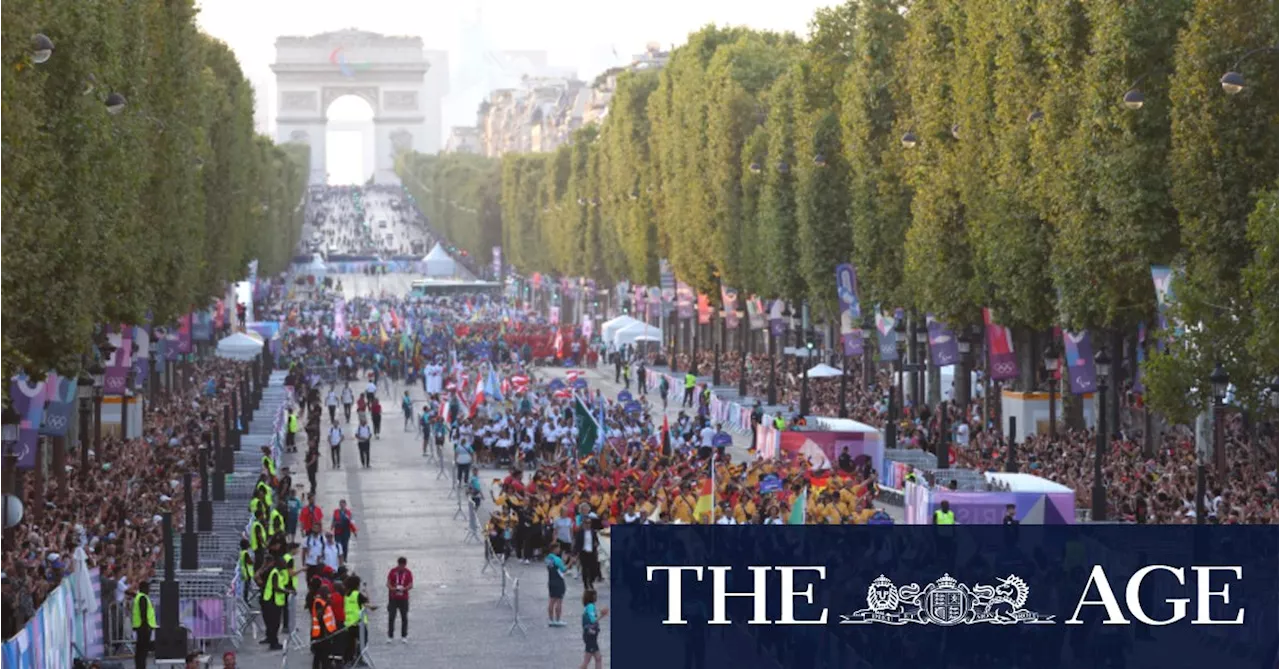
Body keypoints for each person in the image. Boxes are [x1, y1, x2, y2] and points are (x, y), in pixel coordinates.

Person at [309, 578, 339, 669]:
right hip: (320, 634)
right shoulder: (319, 602)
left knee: (319, 656)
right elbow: (319, 616)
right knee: (323, 656)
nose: (329, 595)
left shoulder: (324, 602)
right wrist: (326, 605)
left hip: (325, 633)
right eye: (327, 593)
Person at [385, 557, 413, 643]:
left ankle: (404, 636)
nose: (401, 567)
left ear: (405, 565)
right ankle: (390, 636)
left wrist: (404, 589)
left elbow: (411, 584)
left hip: (403, 598)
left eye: (403, 565)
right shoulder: (393, 571)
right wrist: (392, 588)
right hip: (393, 598)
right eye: (400, 565)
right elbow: (388, 583)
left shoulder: (408, 573)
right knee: (391, 617)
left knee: (404, 617)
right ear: (398, 564)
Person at [578, 589, 608, 669]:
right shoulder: (590, 606)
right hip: (590, 636)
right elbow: (593, 620)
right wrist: (602, 615)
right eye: (595, 595)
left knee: (598, 658)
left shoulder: (588, 606)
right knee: (587, 661)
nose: (596, 597)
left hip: (590, 636)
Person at [132, 580, 156, 669]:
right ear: (144, 588)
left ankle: (140, 666)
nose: (149, 590)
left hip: (140, 627)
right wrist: (146, 627)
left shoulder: (139, 597)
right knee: (142, 651)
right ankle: (141, 667)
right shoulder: (143, 597)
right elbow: (143, 613)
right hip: (143, 627)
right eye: (148, 588)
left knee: (140, 650)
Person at [545, 542, 571, 626]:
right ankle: (558, 619)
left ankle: (551, 619)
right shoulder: (557, 559)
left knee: (551, 601)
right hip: (559, 581)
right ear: (554, 549)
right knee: (559, 601)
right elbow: (563, 569)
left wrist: (563, 560)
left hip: (551, 580)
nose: (559, 550)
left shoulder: (548, 558)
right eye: (558, 548)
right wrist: (570, 562)